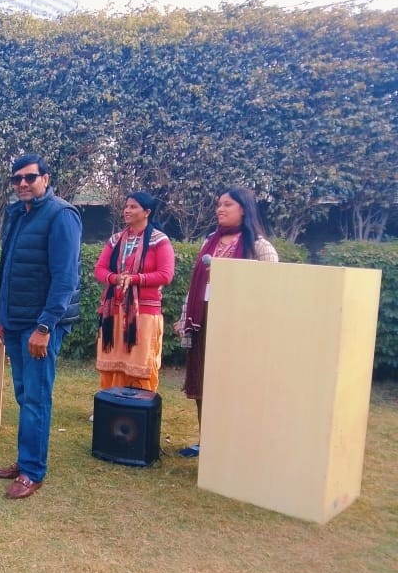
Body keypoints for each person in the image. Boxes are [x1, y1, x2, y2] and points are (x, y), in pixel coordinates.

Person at [0, 153, 82, 499]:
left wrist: (45, 326)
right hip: (15, 322)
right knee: (24, 394)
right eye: (17, 179)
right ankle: (26, 458)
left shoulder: (61, 215)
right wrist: (1, 317)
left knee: (36, 397)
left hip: (40, 325)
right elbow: (9, 271)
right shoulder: (19, 213)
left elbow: (65, 278)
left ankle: (32, 471)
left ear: (45, 178)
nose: (23, 184)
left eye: (30, 177)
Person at [174, 186, 278, 457]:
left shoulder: (259, 247)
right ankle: (207, 441)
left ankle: (235, 445)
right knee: (202, 383)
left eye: (228, 204)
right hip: (204, 320)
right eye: (219, 204)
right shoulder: (210, 241)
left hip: (237, 326)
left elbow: (269, 290)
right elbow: (196, 285)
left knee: (232, 385)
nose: (220, 209)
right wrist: (185, 318)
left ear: (244, 209)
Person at [93, 192, 176, 392]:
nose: (127, 210)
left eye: (133, 207)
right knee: (113, 360)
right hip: (114, 310)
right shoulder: (115, 239)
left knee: (139, 362)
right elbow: (99, 269)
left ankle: (139, 405)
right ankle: (111, 402)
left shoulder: (159, 240)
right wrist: (115, 278)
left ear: (147, 212)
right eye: (126, 206)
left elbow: (165, 275)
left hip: (144, 313)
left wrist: (134, 279)